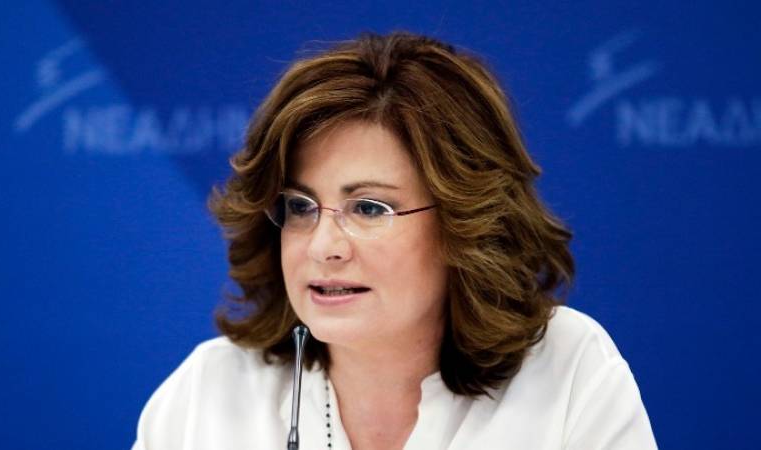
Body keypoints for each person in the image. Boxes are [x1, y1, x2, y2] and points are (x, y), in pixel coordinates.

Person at [131, 31, 657, 450]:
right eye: (300, 207)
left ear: (465, 223)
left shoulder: (567, 370)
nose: (323, 246)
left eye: (368, 208)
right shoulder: (208, 394)